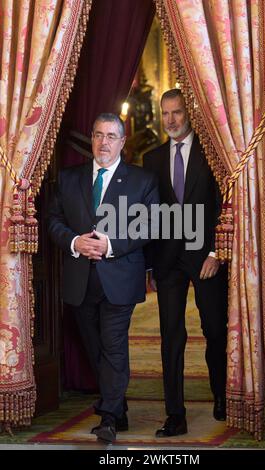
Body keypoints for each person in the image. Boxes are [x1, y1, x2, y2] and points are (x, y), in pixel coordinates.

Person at [48, 113, 159, 444]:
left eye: (111, 136)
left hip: (119, 277)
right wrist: (74, 242)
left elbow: (150, 225)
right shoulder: (68, 179)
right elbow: (53, 220)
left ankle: (108, 417)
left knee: (113, 345)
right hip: (80, 280)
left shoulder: (142, 180)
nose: (104, 142)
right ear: (92, 139)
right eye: (98, 135)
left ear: (122, 142)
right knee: (94, 347)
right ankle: (118, 406)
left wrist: (110, 244)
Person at [143, 89, 228, 437]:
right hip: (167, 261)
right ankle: (174, 415)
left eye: (176, 112)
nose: (171, 120)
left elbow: (228, 204)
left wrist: (216, 252)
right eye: (165, 114)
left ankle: (221, 394)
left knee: (214, 330)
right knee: (171, 337)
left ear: (188, 112)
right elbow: (147, 216)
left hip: (205, 256)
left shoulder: (212, 152)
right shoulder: (152, 158)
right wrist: (148, 265)